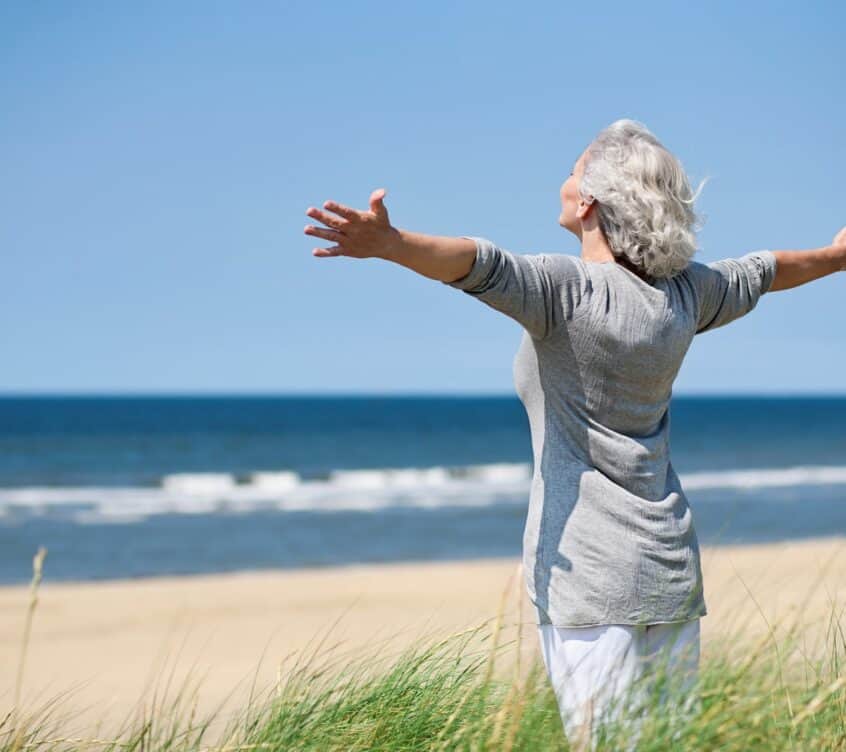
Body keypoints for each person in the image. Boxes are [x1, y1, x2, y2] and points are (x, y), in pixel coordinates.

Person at [303, 118, 846, 749]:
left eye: (571, 168)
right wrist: (836, 258)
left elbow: (480, 263)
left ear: (587, 200)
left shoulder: (567, 292)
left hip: (590, 578)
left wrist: (394, 244)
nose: (561, 179)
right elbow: (764, 270)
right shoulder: (686, 295)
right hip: (669, 568)